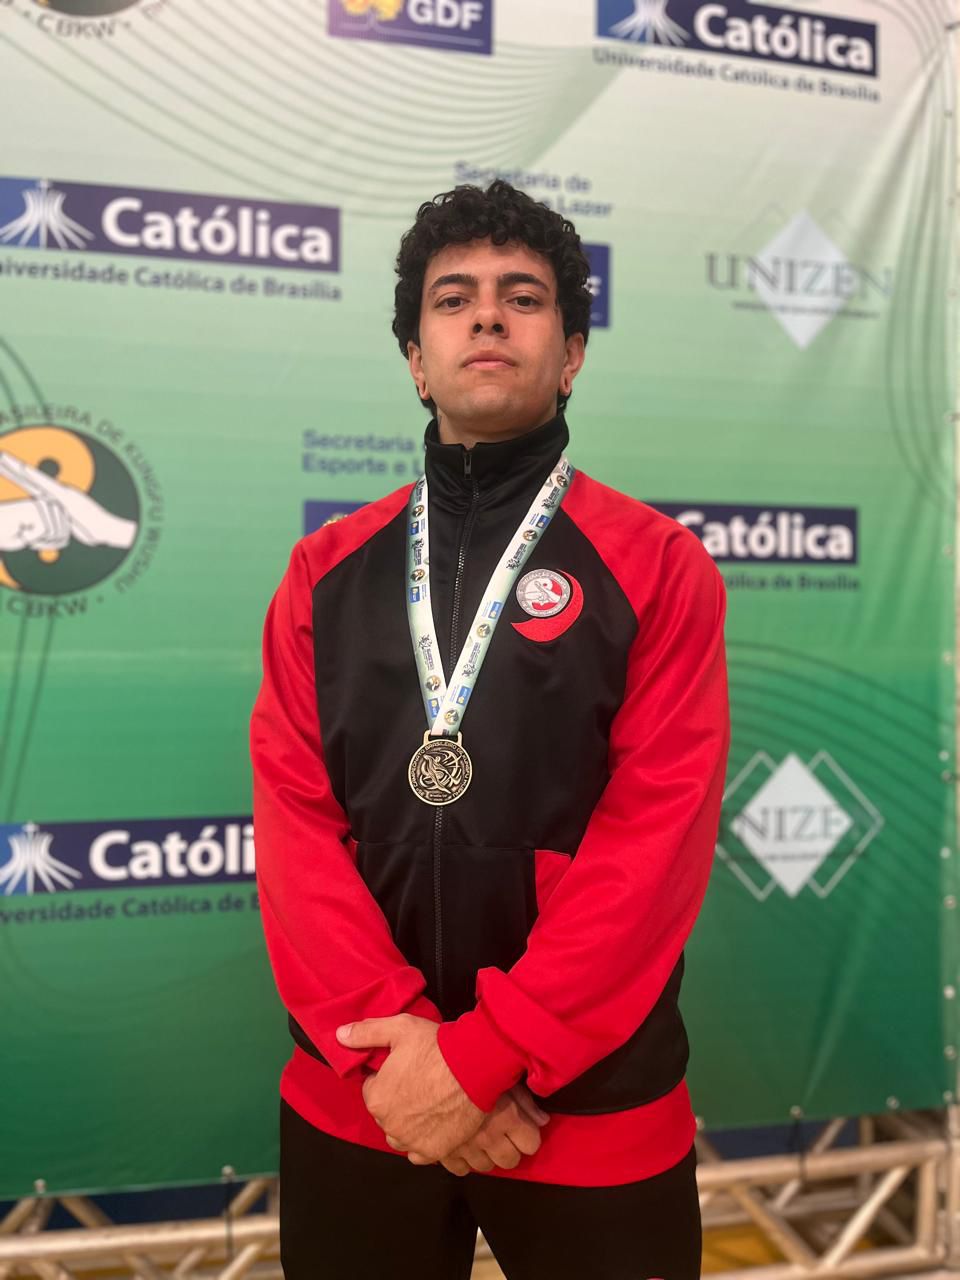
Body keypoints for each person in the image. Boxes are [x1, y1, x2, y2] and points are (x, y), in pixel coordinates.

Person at [249, 179, 730, 1280]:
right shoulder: (324, 573)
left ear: (571, 356)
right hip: (363, 1093)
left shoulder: (658, 567)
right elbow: (295, 828)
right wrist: (404, 1062)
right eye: (453, 298)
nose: (487, 318)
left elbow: (650, 849)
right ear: (416, 361)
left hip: (582, 1105)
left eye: (523, 297)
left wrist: (481, 1058)